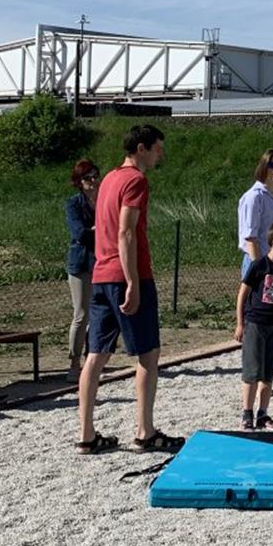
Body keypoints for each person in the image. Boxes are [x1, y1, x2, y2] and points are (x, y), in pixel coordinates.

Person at [77, 124, 181, 456]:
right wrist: (133, 282)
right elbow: (126, 232)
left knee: (96, 356)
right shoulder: (136, 181)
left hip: (101, 274)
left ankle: (86, 434)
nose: (160, 154)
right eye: (157, 148)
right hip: (126, 274)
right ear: (141, 148)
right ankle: (144, 431)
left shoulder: (109, 178)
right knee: (148, 354)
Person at [235, 220, 273, 431]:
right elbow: (242, 294)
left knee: (268, 372)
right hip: (256, 323)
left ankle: (263, 414)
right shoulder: (259, 265)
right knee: (252, 371)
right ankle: (247, 414)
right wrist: (240, 323)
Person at [64, 160, 100, 378]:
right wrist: (100, 229)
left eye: (95, 176)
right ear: (79, 182)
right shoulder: (74, 204)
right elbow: (79, 233)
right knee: (81, 314)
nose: (93, 181)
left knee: (98, 313)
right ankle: (74, 362)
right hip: (81, 263)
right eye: (88, 178)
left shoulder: (104, 200)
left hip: (101, 261)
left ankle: (92, 360)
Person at [237, 150, 273, 280]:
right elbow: (250, 238)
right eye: (272, 165)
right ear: (264, 166)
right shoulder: (254, 197)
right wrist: (260, 269)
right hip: (259, 262)